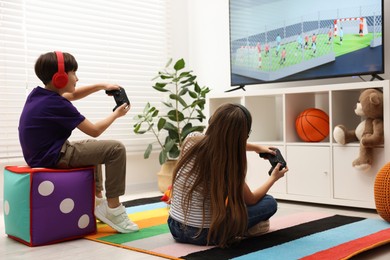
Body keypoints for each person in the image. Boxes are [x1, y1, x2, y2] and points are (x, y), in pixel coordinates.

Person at [18, 51, 139, 233]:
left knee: (93, 149)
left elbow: (72, 95)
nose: (77, 78)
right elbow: (95, 130)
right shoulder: (57, 104)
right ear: (59, 78)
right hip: (52, 157)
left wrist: (101, 85)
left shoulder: (39, 95)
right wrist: (117, 114)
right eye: (73, 73)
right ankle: (113, 209)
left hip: (41, 155)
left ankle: (97, 199)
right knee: (115, 149)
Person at [167, 103, 289, 248]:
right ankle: (244, 230)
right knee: (269, 202)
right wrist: (273, 178)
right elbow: (251, 199)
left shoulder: (191, 139)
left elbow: (219, 141)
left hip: (175, 226)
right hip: (205, 234)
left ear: (212, 121)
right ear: (245, 135)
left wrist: (257, 147)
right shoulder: (228, 164)